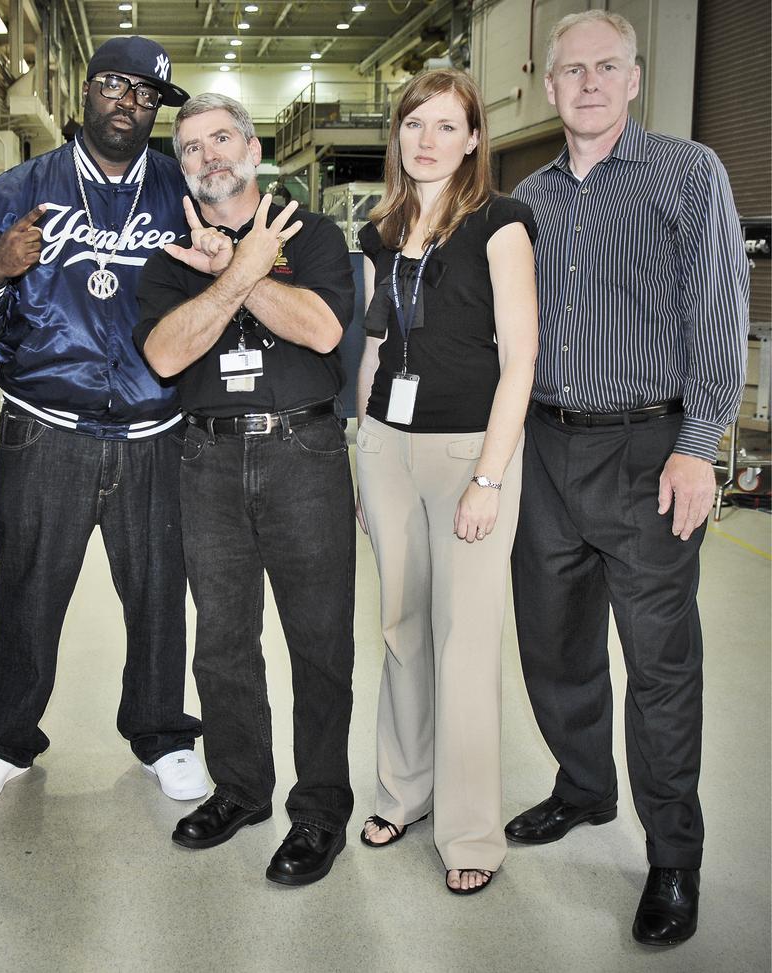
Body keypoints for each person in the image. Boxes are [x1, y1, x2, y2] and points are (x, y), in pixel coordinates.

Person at [508, 11, 748, 944]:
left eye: (608, 66)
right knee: (553, 646)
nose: (591, 82)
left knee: (659, 665)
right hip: (544, 449)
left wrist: (700, 444)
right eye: (573, 70)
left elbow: (722, 315)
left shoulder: (689, 174)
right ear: (551, 87)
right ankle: (584, 787)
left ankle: (674, 858)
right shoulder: (527, 198)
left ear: (636, 79)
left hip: (649, 451)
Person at [0, 36, 204, 807]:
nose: (130, 103)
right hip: (46, 426)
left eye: (147, 96)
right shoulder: (14, 193)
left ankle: (163, 733)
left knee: (157, 591)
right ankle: (5, 740)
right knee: (28, 589)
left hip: (155, 429)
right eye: (117, 86)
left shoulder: (183, 194)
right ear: (87, 90)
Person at [135, 94, 357, 886]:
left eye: (220, 138)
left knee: (320, 641)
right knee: (223, 641)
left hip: (305, 450)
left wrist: (233, 266)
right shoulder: (168, 258)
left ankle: (321, 807)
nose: (206, 156)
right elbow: (166, 354)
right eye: (190, 147)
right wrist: (236, 274)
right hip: (208, 461)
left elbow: (324, 330)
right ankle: (241, 787)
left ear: (254, 148)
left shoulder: (313, 231)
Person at [353, 69, 538, 895]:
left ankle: (471, 831)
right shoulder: (380, 230)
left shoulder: (501, 223)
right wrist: (363, 449)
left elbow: (521, 357)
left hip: (471, 454)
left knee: (465, 644)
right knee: (399, 628)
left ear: (471, 140)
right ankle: (405, 790)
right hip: (388, 447)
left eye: (445, 125)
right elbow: (374, 346)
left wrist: (490, 480)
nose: (426, 139)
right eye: (413, 124)